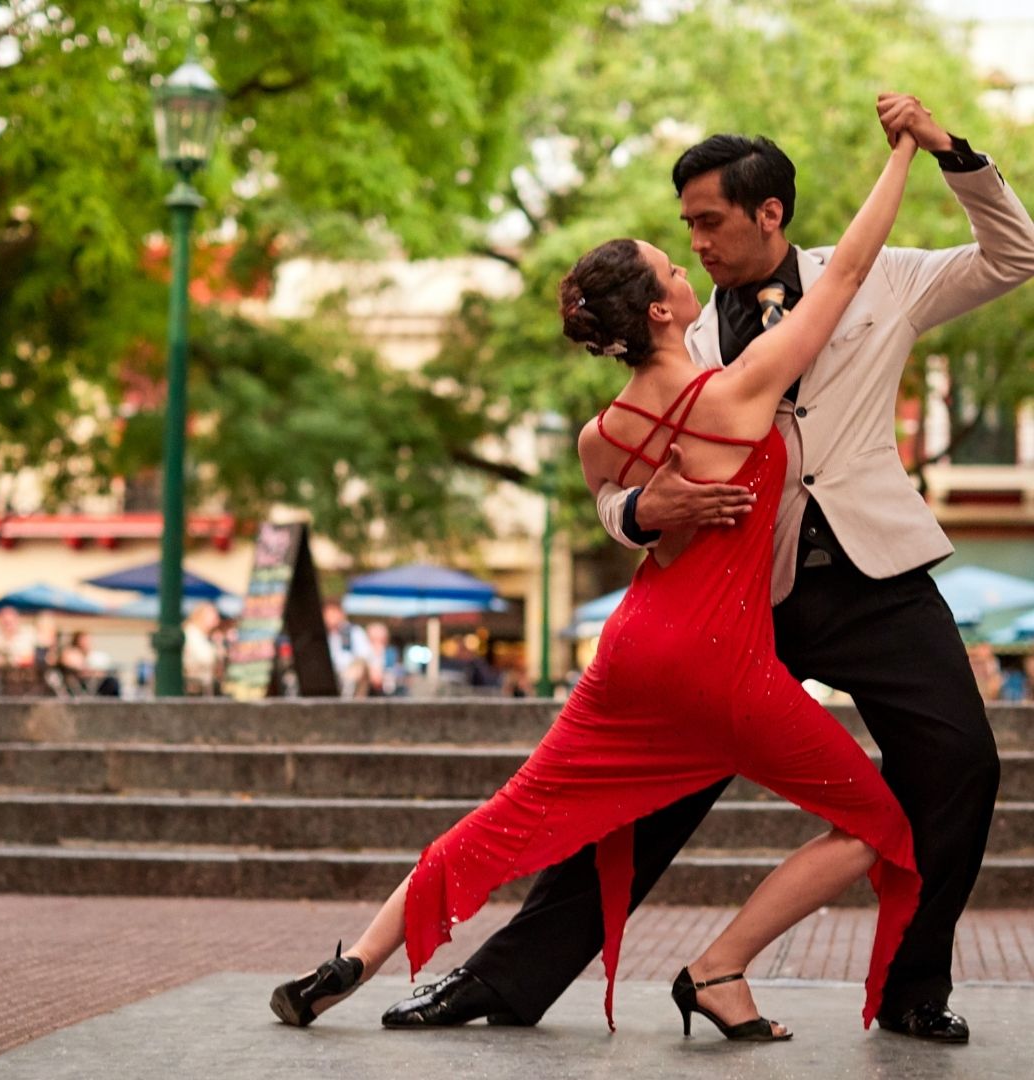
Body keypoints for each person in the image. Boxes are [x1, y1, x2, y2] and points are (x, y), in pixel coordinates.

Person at [386, 93, 1034, 1044]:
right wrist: (643, 512)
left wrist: (955, 154)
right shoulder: (675, 330)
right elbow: (616, 482)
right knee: (647, 793)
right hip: (736, 601)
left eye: (709, 221)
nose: (694, 244)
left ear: (768, 212)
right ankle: (504, 981)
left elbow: (1016, 257)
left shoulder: (882, 279)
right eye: (685, 224)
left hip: (876, 578)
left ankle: (910, 988)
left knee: (962, 766)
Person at [270, 127, 923, 1040]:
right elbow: (847, 273)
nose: (686, 263)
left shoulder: (599, 437)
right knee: (876, 825)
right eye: (671, 266)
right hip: (720, 664)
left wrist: (644, 511)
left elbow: (626, 520)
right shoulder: (737, 396)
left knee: (511, 815)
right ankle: (719, 968)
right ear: (659, 313)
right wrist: (902, 155)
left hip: (628, 654)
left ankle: (353, 962)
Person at [322, 599, 371, 696]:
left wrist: (351, 670)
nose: (330, 617)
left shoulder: (354, 632)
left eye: (333, 613)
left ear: (341, 614)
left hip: (349, 674)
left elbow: (364, 656)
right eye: (328, 614)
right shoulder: (319, 634)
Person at [182, 602, 221, 695]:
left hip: (204, 687)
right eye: (212, 615)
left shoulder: (204, 636)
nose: (216, 619)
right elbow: (204, 659)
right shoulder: (191, 634)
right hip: (194, 689)